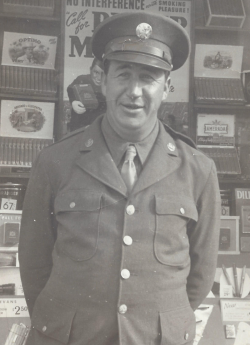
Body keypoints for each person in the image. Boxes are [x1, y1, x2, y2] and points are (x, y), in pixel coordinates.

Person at [19, 12, 221, 345]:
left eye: (149, 77)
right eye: (124, 74)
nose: (135, 91)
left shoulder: (198, 169)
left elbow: (200, 275)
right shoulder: (55, 162)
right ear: (102, 79)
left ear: (167, 87)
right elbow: (34, 264)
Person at [67, 57, 107, 131]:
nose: (99, 78)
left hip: (98, 128)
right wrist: (73, 101)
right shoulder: (82, 79)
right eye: (96, 72)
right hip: (79, 126)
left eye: (103, 74)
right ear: (90, 70)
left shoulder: (108, 86)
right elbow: (70, 89)